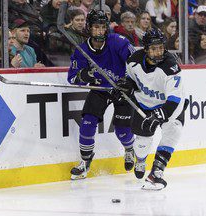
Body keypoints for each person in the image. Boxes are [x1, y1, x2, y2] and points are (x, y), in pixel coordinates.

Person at [114, 28, 187, 190]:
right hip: (144, 104)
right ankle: (140, 160)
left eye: (161, 47)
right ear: (146, 49)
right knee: (141, 145)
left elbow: (174, 97)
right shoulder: (133, 60)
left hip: (170, 106)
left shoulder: (170, 65)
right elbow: (129, 79)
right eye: (154, 49)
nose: (158, 52)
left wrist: (162, 114)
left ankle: (156, 173)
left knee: (173, 131)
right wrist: (126, 86)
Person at [67, 9, 136, 180]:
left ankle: (129, 149)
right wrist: (86, 75)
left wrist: (128, 82)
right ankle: (85, 161)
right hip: (100, 90)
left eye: (103, 27)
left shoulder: (118, 42)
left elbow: (135, 63)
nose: (99, 31)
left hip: (122, 89)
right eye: (96, 27)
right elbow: (72, 78)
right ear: (89, 28)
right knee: (87, 123)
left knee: (122, 131)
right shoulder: (82, 50)